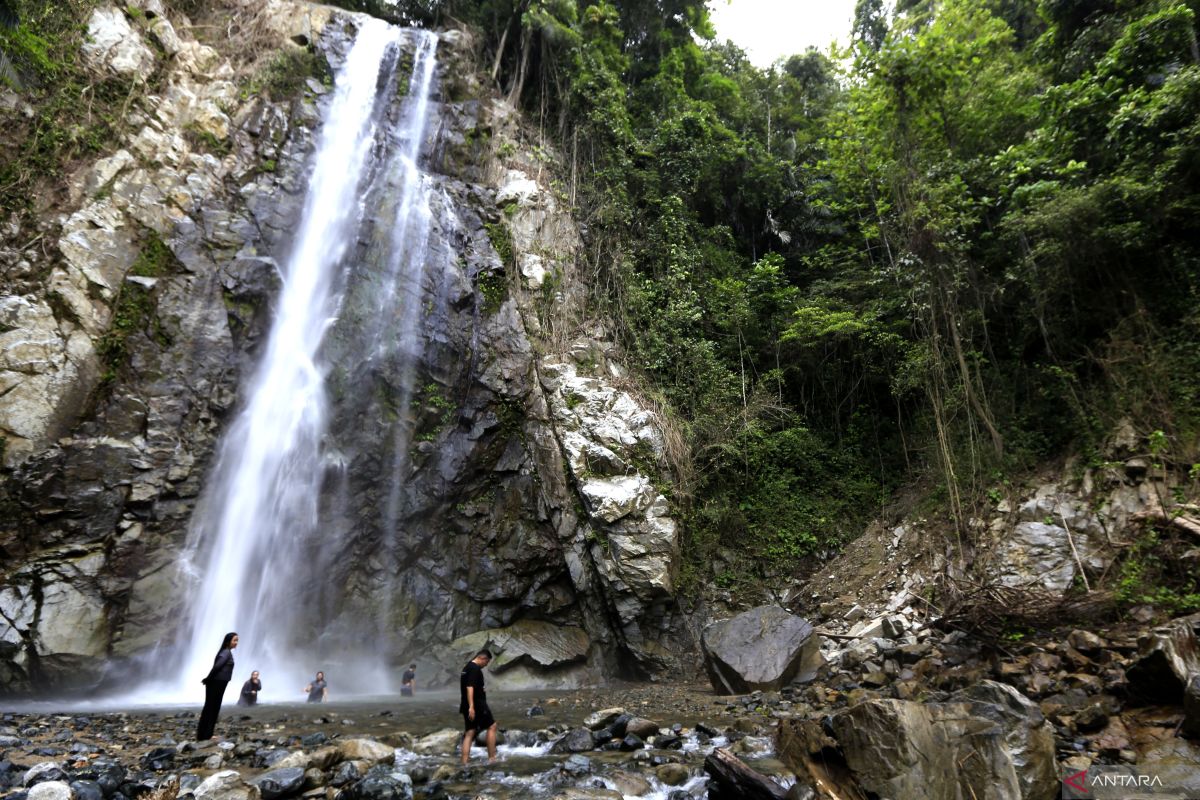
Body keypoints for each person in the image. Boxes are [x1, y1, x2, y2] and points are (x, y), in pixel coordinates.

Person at [197, 632, 238, 740]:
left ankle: (206, 734)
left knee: (213, 708)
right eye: (235, 640)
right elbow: (217, 667)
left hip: (219, 682)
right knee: (211, 708)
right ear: (228, 641)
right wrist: (208, 679)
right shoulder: (226, 653)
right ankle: (204, 735)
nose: (236, 643)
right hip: (217, 682)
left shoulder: (226, 652)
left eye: (237, 640)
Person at [459, 649, 496, 765]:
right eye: (487, 662)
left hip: (465, 704)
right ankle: (492, 758)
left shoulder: (467, 667)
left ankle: (464, 761)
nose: (486, 665)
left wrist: (481, 688)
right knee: (492, 726)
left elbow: (470, 685)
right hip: (477, 705)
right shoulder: (475, 669)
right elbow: (470, 687)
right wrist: (472, 707)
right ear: (482, 658)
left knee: (470, 732)